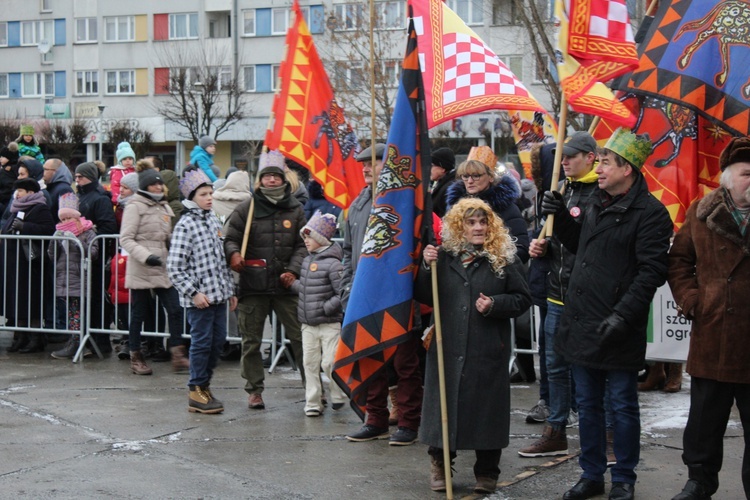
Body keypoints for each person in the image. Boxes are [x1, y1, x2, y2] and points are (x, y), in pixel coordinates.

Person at [543, 128, 673, 500]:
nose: (598, 169)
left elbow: (652, 272)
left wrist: (622, 316)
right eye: (598, 161)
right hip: (582, 320)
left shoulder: (650, 213)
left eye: (605, 162)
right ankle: (591, 474)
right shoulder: (597, 201)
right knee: (587, 406)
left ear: (627, 169)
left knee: (621, 407)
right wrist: (560, 219)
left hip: (618, 327)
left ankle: (624, 478)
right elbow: (583, 245)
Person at [416, 197, 532, 494]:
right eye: (471, 223)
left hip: (487, 347)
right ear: (459, 227)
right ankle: (440, 464)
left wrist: (496, 304)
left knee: (487, 411)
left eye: (483, 222)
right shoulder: (441, 257)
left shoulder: (505, 257)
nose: (478, 228)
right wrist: (426, 267)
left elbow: (522, 299)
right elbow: (425, 296)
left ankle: (487, 471)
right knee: (442, 406)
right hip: (447, 345)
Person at [667, 136, 750, 500]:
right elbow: (679, 261)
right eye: (748, 173)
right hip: (714, 330)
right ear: (728, 177)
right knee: (703, 421)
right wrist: (692, 300)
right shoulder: (701, 212)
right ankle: (699, 481)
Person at [518, 131, 599, 458]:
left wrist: (562, 222)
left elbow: (587, 243)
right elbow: (562, 245)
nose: (563, 162)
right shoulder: (563, 189)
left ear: (590, 157)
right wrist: (544, 246)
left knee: (591, 371)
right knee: (554, 368)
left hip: (587, 299)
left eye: (570, 156)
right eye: (561, 157)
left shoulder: (600, 193)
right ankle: (555, 429)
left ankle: (601, 438)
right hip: (556, 295)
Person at [341, 143, 423, 446]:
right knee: (368, 359)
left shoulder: (405, 201)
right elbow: (347, 252)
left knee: (405, 365)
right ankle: (375, 418)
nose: (365, 168)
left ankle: (409, 422)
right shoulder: (356, 205)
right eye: (362, 164)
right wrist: (347, 289)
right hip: (364, 297)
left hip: (398, 295)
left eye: (373, 163)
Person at [224, 149, 307, 410]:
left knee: (301, 339)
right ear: (259, 181)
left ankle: (313, 388)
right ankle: (254, 390)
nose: (271, 180)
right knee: (251, 342)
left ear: (284, 180)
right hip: (253, 285)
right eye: (267, 176)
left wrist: (293, 271)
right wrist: (234, 254)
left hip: (285, 287)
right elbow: (230, 238)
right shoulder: (246, 208)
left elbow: (303, 245)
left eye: (276, 176)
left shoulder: (296, 209)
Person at [168, 167, 237, 414]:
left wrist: (230, 290)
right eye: (204, 194)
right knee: (202, 343)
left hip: (219, 296)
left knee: (218, 342)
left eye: (211, 193)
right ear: (192, 197)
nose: (209, 198)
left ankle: (204, 385)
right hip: (200, 300)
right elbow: (174, 267)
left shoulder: (213, 219)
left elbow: (221, 261)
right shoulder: (185, 225)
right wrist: (194, 293)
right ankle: (196, 389)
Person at [118, 164, 190, 375]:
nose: (159, 187)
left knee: (175, 309)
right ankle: (136, 357)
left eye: (160, 183)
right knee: (138, 314)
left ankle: (177, 354)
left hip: (162, 267)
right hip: (142, 267)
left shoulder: (165, 207)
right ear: (145, 186)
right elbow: (126, 238)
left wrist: (178, 251)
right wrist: (146, 256)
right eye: (154, 183)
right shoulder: (135, 206)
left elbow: (167, 237)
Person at [52, 162, 118, 358]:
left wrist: (88, 232)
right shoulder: (80, 197)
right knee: (78, 303)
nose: (77, 180)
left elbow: (108, 228)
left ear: (90, 177)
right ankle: (83, 340)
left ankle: (99, 342)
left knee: (96, 302)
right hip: (78, 262)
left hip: (94, 261)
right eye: (76, 177)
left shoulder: (100, 199)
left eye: (81, 176)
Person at [287, 210, 347, 417]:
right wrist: (293, 284)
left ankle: (338, 393)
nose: (305, 241)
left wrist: (326, 308)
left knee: (329, 362)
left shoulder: (333, 264)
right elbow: (307, 288)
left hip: (329, 323)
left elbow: (341, 293)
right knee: (309, 363)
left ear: (320, 238)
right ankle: (312, 402)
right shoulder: (307, 260)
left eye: (309, 236)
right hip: (308, 323)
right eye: (304, 237)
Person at [445, 145, 530, 263]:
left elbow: (522, 249)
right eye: (465, 176)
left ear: (490, 177)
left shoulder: (507, 208)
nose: (470, 181)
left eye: (476, 176)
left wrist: (490, 262)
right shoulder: (455, 208)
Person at [0, 178, 55, 353]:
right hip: (14, 264)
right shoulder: (16, 208)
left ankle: (36, 337)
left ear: (30, 193)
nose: (17, 194)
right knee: (17, 301)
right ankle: (22, 336)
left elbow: (49, 230)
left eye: (21, 191)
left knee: (30, 300)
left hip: (31, 265)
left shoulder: (40, 208)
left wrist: (26, 226)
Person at [48, 193, 99, 360]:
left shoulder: (87, 230)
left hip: (79, 278)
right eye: (63, 219)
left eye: (69, 217)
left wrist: (77, 242)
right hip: (64, 279)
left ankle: (77, 343)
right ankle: (76, 342)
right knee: (71, 313)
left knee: (76, 313)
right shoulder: (60, 231)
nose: (65, 222)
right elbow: (52, 256)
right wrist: (53, 241)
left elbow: (92, 253)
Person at [212, 169, 252, 362]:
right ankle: (239, 341)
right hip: (242, 257)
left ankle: (227, 342)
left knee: (226, 301)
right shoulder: (250, 203)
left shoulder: (214, 200)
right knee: (240, 303)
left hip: (218, 257)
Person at [42, 158, 74, 223]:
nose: (43, 173)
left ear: (56, 171)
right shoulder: (50, 188)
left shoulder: (65, 190)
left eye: (46, 169)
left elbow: (68, 217)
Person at [430, 147, 456, 218]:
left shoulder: (450, 188)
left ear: (443, 168)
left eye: (432, 165)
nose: (429, 169)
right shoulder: (443, 183)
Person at [0, 142, 19, 214]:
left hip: (5, 201)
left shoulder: (7, 171)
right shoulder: (9, 169)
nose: (0, 159)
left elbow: (7, 186)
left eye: (3, 157)